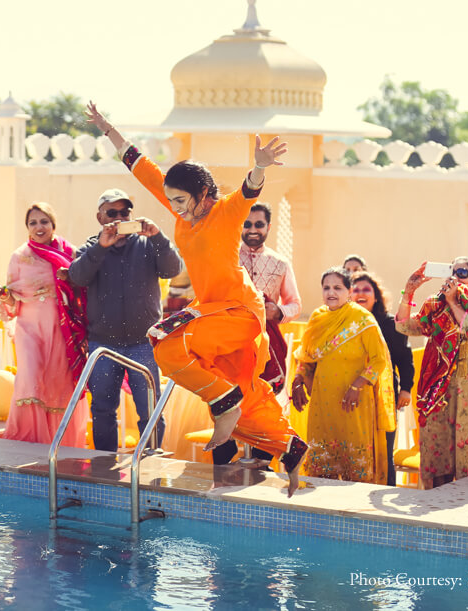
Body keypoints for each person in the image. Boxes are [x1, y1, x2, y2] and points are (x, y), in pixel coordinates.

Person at [86, 100, 307, 496]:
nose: (175, 209)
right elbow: (141, 167)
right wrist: (107, 128)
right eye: (171, 201)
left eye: (181, 201)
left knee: (166, 346)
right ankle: (289, 447)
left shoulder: (225, 213)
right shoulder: (180, 213)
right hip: (210, 312)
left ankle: (224, 401)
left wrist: (259, 166)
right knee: (243, 392)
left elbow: (248, 191)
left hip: (239, 311)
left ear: (203, 194)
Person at [63, 188, 182, 452]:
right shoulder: (90, 248)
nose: (119, 218)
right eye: (112, 213)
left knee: (150, 409)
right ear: (100, 217)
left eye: (124, 212)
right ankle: (104, 466)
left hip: (143, 343)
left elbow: (173, 269)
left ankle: (150, 462)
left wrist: (158, 236)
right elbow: (77, 277)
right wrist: (100, 247)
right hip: (104, 345)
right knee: (103, 410)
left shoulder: (148, 244)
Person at [395, 258, 468, 489]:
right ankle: (436, 504)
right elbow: (404, 325)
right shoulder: (436, 306)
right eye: (452, 273)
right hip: (439, 392)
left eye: (462, 273)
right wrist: (408, 292)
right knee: (438, 452)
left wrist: (454, 302)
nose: (456, 278)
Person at [0, 202, 89, 447]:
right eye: (33, 223)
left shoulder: (69, 253)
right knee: (30, 377)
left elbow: (82, 289)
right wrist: (2, 294)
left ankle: (60, 442)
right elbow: (13, 300)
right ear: (27, 227)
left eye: (44, 221)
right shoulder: (19, 256)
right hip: (29, 328)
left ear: (53, 225)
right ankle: (29, 440)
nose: (39, 227)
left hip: (61, 328)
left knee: (58, 381)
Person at [212, 202, 303, 466]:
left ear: (268, 227)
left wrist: (278, 311)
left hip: (266, 348)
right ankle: (223, 472)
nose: (253, 230)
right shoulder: (226, 259)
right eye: (247, 224)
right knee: (227, 402)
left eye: (259, 224)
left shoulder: (280, 263)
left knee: (264, 404)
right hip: (230, 345)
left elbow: (295, 304)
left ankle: (261, 469)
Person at [290, 268, 395, 484]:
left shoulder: (362, 320)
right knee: (322, 474)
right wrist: (298, 380)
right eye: (326, 288)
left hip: (354, 403)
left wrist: (357, 385)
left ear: (349, 291)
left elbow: (378, 360)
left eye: (337, 288)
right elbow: (306, 357)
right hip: (323, 404)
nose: (331, 292)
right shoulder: (318, 318)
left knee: (355, 473)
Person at [350, 270, 413, 485]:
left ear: (376, 296)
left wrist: (406, 388)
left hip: (383, 396)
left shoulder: (388, 324)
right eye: (355, 289)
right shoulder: (344, 323)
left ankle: (385, 492)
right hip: (352, 395)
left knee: (384, 450)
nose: (360, 293)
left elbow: (404, 357)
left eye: (366, 290)